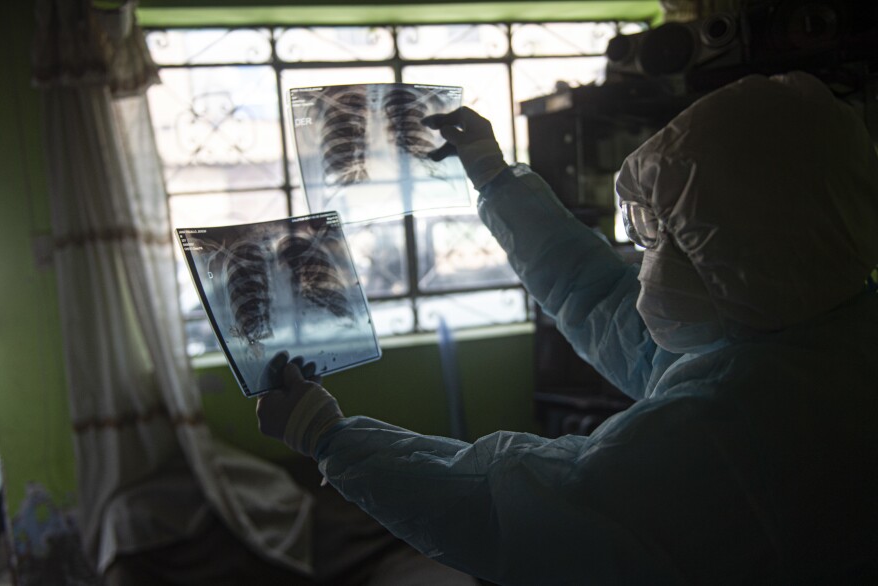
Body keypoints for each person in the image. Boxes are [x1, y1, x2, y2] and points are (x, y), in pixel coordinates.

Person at [256, 72, 878, 585]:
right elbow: (597, 294)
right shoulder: (798, 325)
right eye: (648, 233)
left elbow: (520, 510)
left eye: (671, 237)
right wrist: (494, 178)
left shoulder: (741, 429)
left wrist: (331, 437)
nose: (645, 259)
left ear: (754, 244)